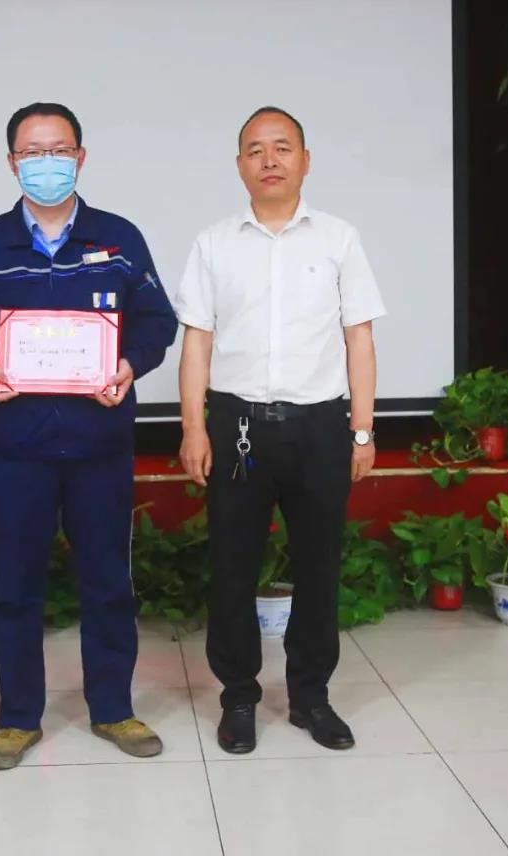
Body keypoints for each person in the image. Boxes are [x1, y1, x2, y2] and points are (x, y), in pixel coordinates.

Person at [0, 102, 178, 770]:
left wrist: (130, 364)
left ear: (81, 157)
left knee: (108, 582)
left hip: (101, 447)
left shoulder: (119, 238)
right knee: (14, 588)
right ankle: (17, 718)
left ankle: (113, 708)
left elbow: (156, 320)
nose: (47, 163)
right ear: (12, 163)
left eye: (59, 150)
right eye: (32, 152)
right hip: (15, 449)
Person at [173, 106, 386, 754]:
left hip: (320, 427)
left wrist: (362, 431)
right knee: (232, 567)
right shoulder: (214, 243)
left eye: (283, 147)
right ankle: (239, 697)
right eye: (256, 149)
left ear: (305, 161)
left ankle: (311, 697)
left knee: (319, 568)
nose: (269, 160)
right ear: (240, 165)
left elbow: (359, 338)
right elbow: (196, 342)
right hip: (236, 425)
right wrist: (193, 428)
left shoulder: (339, 239)